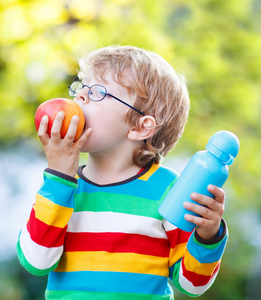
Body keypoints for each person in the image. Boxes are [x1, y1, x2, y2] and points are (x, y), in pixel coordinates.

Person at [17, 45, 228, 299]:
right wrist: (59, 178)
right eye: (81, 87)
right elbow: (36, 262)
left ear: (141, 127)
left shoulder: (169, 189)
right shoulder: (60, 187)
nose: (80, 96)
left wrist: (208, 236)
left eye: (96, 92)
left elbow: (191, 284)